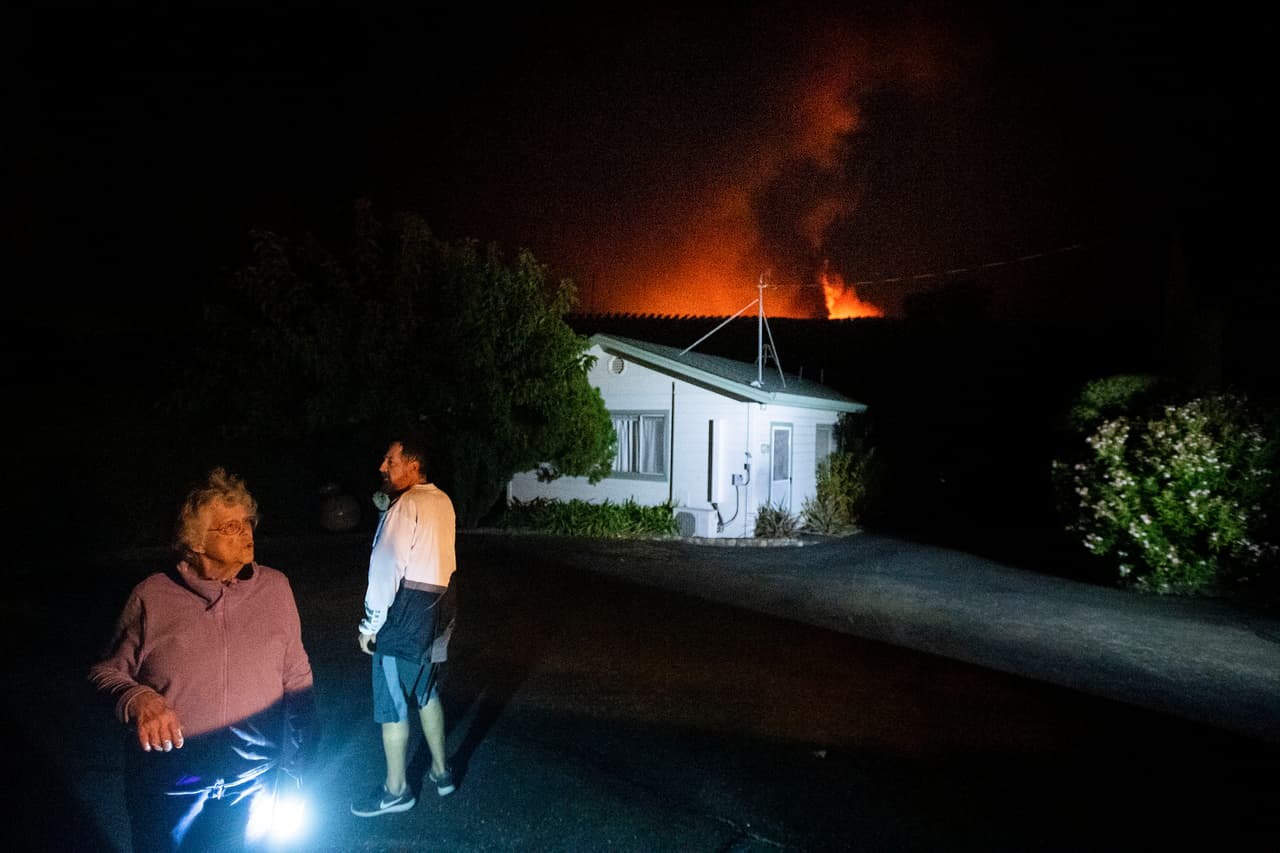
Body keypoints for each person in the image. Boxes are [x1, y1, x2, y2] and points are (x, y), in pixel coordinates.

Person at [89, 467, 315, 851]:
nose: (246, 532)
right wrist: (136, 697)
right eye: (230, 527)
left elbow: (295, 673)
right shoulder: (152, 596)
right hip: (171, 788)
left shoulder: (275, 588)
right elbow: (106, 672)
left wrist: (305, 745)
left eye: (247, 522)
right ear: (194, 541)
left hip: (254, 782)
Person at [350, 434, 458, 817]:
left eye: (390, 461)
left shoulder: (406, 504)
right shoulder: (441, 501)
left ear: (413, 466)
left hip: (406, 614)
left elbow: (385, 568)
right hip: (440, 609)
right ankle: (441, 772)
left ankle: (396, 791)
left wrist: (370, 624)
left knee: (393, 702)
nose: (382, 466)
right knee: (426, 692)